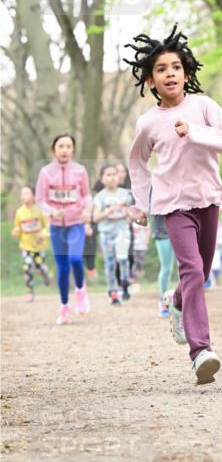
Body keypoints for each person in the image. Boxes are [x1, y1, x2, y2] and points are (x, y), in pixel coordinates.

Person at [125, 24, 222, 384]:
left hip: (207, 200)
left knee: (201, 273)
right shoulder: (148, 123)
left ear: (186, 72)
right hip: (173, 207)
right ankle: (201, 351)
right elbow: (137, 162)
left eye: (175, 67)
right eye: (160, 69)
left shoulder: (203, 106)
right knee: (191, 269)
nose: (169, 74)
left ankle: (175, 302)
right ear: (150, 81)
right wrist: (141, 202)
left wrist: (194, 132)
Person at [35, 133, 91, 324]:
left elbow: (87, 195)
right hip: (56, 226)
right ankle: (64, 307)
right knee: (62, 268)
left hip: (76, 222)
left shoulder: (80, 171)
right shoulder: (45, 172)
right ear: (54, 149)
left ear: (73, 149)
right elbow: (39, 200)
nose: (65, 150)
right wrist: (52, 211)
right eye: (61, 146)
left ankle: (81, 290)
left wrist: (87, 211)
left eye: (68, 146)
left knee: (75, 259)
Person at [92, 163, 133, 304]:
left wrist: (129, 216)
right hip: (106, 234)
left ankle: (125, 283)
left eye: (114, 174)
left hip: (122, 231)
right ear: (102, 179)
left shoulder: (125, 194)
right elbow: (95, 217)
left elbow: (132, 211)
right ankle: (113, 292)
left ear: (119, 176)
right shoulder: (100, 197)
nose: (112, 178)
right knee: (110, 263)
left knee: (122, 259)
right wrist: (107, 212)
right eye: (108, 175)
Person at [12, 185, 51, 302]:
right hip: (26, 246)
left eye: (26, 193)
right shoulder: (19, 212)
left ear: (34, 196)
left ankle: (45, 274)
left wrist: (43, 234)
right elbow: (17, 229)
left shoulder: (40, 210)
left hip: (39, 246)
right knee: (27, 267)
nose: (23, 196)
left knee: (40, 267)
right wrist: (15, 232)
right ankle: (29, 291)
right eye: (22, 194)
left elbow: (48, 227)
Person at [151, 213, 175, 317]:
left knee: (186, 267)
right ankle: (164, 301)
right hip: (162, 231)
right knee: (166, 268)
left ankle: (186, 301)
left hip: (181, 228)